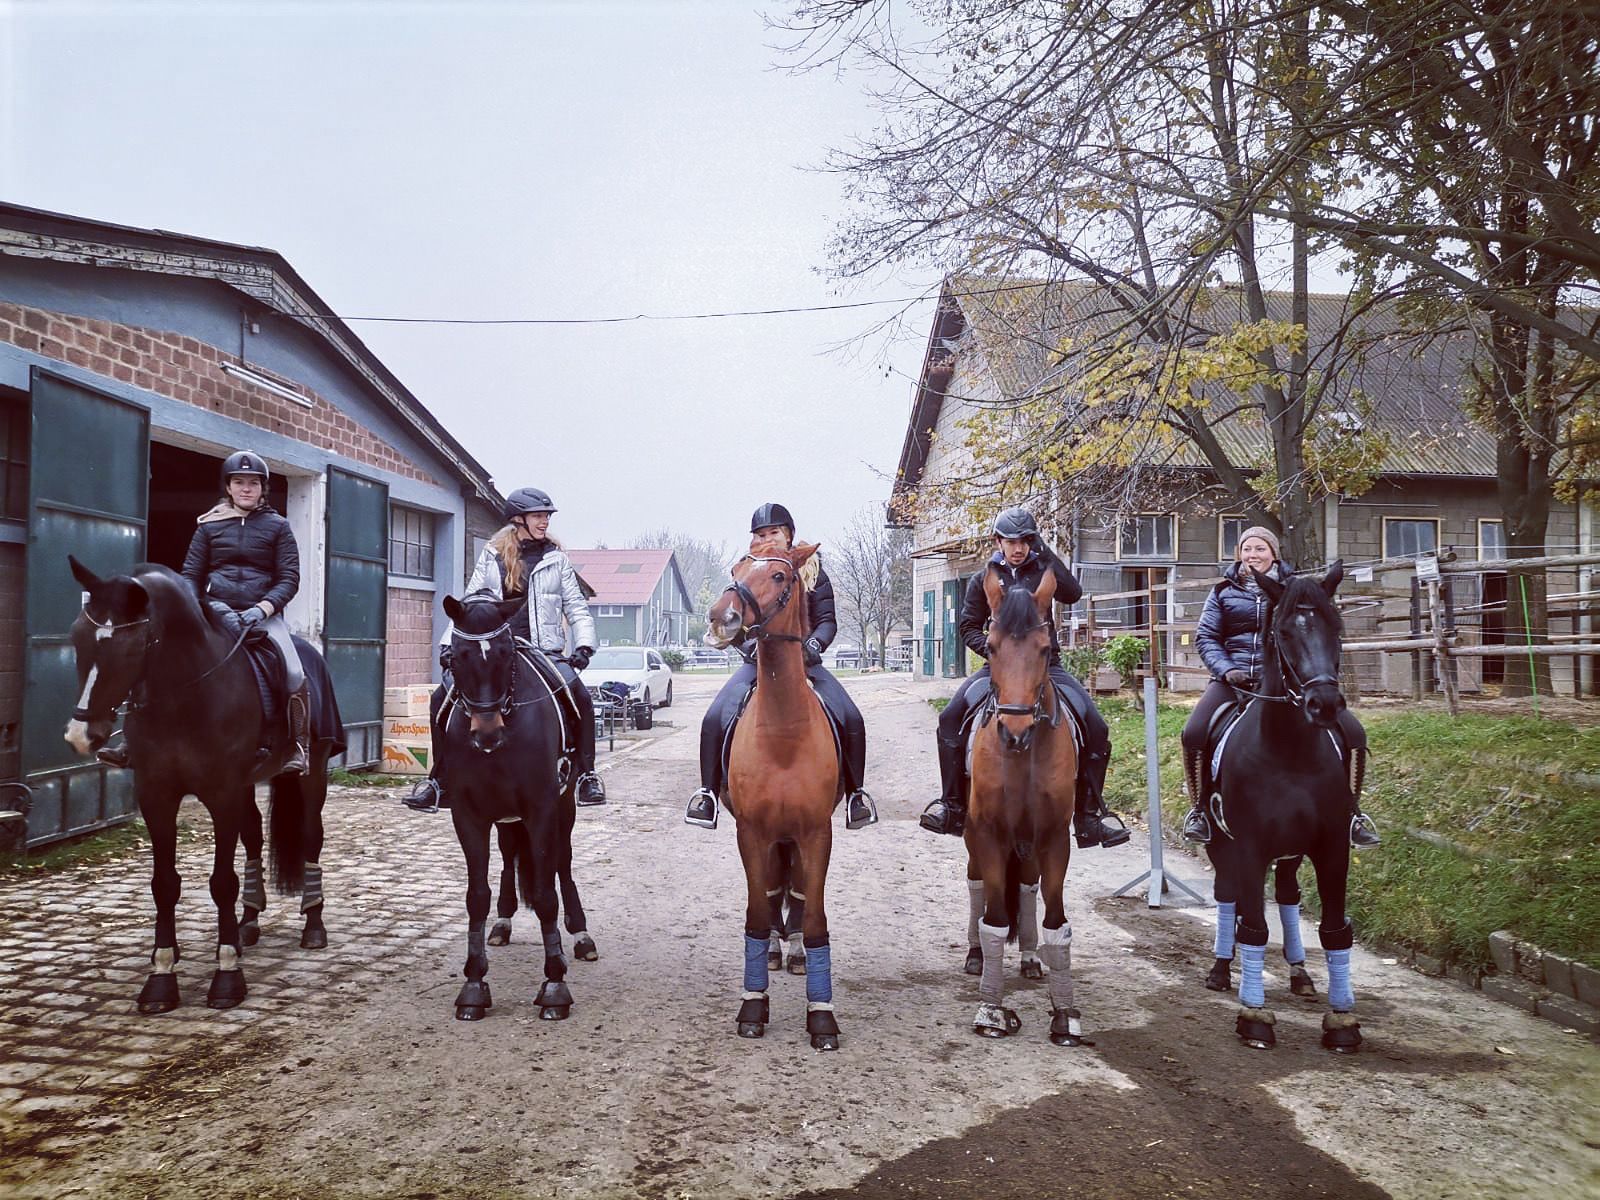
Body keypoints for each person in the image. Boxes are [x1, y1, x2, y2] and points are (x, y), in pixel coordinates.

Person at [919, 508, 1128, 848]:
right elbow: (968, 626)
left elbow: (1072, 593)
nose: (1018, 548)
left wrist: (1045, 552)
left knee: (1096, 725)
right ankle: (952, 805)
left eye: (1025, 541)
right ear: (998, 542)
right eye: (1011, 541)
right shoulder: (984, 577)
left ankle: (1090, 816)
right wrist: (996, 654)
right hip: (998, 668)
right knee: (950, 718)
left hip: (1047, 667)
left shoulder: (1044, 570)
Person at [403, 487, 605, 811]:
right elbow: (468, 604)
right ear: (518, 519)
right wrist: (447, 646)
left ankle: (586, 775)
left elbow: (577, 608)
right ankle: (438, 779)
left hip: (543, 651)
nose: (545, 521)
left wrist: (583, 646)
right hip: (496, 650)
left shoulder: (557, 560)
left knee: (579, 695)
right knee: (440, 699)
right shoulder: (492, 555)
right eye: (538, 516)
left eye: (547, 516)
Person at [1180, 525, 1380, 849]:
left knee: (1353, 733)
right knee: (1194, 732)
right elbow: (1207, 637)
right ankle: (1200, 809)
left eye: (1260, 548)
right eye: (1246, 549)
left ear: (1273, 553)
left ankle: (1351, 814)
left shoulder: (1295, 590)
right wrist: (1227, 669)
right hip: (1234, 680)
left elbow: (1312, 633)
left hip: (1287, 684)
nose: (1252, 555)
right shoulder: (1222, 592)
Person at [684, 502, 877, 832]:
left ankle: (856, 794)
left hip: (805, 663)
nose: (767, 538)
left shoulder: (813, 570)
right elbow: (733, 622)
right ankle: (708, 794)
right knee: (714, 717)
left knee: (851, 716)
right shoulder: (749, 570)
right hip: (758, 663)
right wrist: (748, 647)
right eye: (760, 534)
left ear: (789, 535)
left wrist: (813, 646)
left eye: (773, 532)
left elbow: (827, 620)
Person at [172, 450, 307, 773]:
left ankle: (297, 745)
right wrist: (212, 607)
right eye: (239, 482)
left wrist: (262, 609)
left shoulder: (278, 527)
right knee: (164, 654)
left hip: (262, 614)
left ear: (263, 489)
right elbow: (190, 576)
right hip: (214, 611)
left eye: (253, 483)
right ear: (228, 487)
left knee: (294, 672)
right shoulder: (207, 526)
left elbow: (289, 578)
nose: (246, 488)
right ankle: (137, 740)